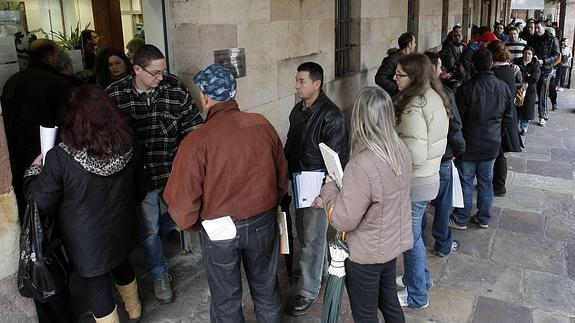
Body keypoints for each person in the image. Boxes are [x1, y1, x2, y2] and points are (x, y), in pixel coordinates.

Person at [163, 65, 288, 323]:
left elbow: (183, 203)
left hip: (218, 229)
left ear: (205, 97)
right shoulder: (261, 124)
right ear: (233, 94)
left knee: (226, 299)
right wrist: (269, 204)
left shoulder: (197, 141)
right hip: (262, 222)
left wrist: (197, 224)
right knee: (266, 290)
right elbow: (280, 175)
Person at [23, 85, 147, 323]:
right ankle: (135, 310)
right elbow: (140, 186)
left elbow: (41, 202)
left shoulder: (60, 157)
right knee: (122, 263)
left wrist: (35, 170)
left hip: (86, 239)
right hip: (122, 225)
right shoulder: (128, 144)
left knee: (97, 285)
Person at [106, 44, 203, 304]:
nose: (161, 78)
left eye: (163, 71)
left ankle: (150, 239)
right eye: (155, 73)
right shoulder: (114, 95)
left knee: (185, 215)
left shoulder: (174, 88)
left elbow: (194, 128)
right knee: (148, 230)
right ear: (137, 69)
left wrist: (188, 165)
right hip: (139, 179)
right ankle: (159, 273)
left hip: (172, 172)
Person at [320, 87, 413, 323]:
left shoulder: (362, 163)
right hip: (390, 245)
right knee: (389, 303)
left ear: (360, 118)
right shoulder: (400, 150)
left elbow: (343, 219)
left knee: (365, 314)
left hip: (366, 253)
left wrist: (329, 188)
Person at [2, 38, 75, 323]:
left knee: (36, 235)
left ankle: (51, 295)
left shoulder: (11, 81)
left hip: (21, 168)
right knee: (56, 236)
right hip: (53, 170)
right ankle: (59, 290)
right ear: (52, 56)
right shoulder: (59, 86)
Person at [284, 62, 349, 316]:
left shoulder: (331, 115)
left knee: (310, 238)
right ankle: (318, 271)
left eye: (301, 81)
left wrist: (325, 192)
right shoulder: (297, 111)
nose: (297, 85)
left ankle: (308, 290)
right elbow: (291, 144)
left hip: (318, 183)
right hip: (300, 179)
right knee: (307, 232)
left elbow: (337, 158)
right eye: (297, 80)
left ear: (317, 84)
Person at [393, 53, 450, 309]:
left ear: (414, 77)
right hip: (428, 177)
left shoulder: (415, 105)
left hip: (416, 183)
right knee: (414, 237)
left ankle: (417, 296)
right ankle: (421, 280)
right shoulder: (434, 96)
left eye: (400, 74)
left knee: (410, 239)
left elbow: (414, 154)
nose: (394, 78)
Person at [449, 49, 514, 230]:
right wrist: (498, 135)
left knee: (466, 181)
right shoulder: (502, 87)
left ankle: (461, 217)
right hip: (492, 143)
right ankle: (484, 217)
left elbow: (457, 119)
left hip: (470, 144)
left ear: (473, 65)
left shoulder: (466, 88)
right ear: (491, 63)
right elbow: (508, 117)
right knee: (486, 182)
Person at [424, 51, 465, 257]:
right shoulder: (444, 93)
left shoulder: (411, 94)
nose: (441, 70)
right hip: (442, 158)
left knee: (421, 204)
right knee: (443, 204)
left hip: (422, 162)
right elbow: (455, 127)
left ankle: (419, 241)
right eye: (439, 66)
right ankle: (442, 243)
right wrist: (459, 150)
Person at [527, 20, 560, 126]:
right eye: (535, 28)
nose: (536, 30)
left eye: (538, 28)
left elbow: (556, 55)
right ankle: (527, 115)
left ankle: (542, 115)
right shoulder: (532, 38)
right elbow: (528, 49)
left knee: (542, 93)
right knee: (531, 91)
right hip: (533, 68)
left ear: (544, 28)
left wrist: (544, 61)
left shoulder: (552, 39)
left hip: (546, 69)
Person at [375, 32, 417, 97]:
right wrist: (397, 88)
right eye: (414, 42)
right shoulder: (391, 60)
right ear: (409, 44)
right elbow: (379, 78)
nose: (415, 45)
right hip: (396, 98)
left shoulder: (412, 58)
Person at [514, 47, 541, 135]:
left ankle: (524, 128)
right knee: (516, 108)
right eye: (525, 53)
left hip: (529, 91)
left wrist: (523, 78)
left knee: (526, 110)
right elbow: (514, 74)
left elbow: (535, 78)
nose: (527, 55)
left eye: (529, 53)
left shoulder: (535, 64)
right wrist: (527, 76)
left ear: (532, 55)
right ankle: (515, 126)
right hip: (517, 89)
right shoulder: (517, 61)